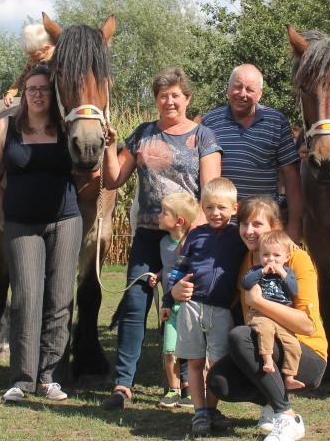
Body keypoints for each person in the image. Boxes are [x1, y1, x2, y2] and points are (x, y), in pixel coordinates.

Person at [101, 67, 221, 410]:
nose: (169, 101)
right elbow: (113, 180)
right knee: (135, 306)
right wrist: (111, 148)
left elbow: (210, 192)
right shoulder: (142, 134)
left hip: (187, 239)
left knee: (184, 308)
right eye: (162, 95)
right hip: (148, 235)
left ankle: (186, 381)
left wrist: (191, 237)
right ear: (156, 100)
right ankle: (123, 384)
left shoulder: (204, 137)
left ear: (187, 99)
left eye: (175, 95)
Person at [0, 65, 81, 403]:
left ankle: (50, 377)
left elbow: (91, 170)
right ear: (23, 94)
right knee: (26, 298)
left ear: (54, 95)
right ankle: (22, 379)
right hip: (22, 225)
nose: (38, 94)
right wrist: (10, 201)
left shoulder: (66, 129)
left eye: (44, 89)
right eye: (32, 89)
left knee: (60, 297)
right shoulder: (5, 128)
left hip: (65, 222)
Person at [204, 196, 327, 441]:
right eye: (244, 224)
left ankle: (287, 417)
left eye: (257, 225)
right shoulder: (249, 260)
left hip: (306, 354)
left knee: (241, 337)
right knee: (219, 381)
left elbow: (306, 324)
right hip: (267, 343)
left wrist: (260, 303)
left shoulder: (296, 259)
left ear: (275, 227)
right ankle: (271, 403)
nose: (249, 231)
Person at [161, 178, 246, 436]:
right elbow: (179, 269)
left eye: (221, 207)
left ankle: (211, 408)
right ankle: (199, 413)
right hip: (191, 306)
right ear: (202, 208)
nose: (215, 213)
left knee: (217, 363)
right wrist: (168, 298)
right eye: (209, 207)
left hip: (221, 310)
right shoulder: (196, 235)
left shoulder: (238, 236)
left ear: (235, 208)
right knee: (195, 361)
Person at [202, 64, 302, 243]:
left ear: (260, 94)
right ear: (228, 88)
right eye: (237, 87)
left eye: (250, 89)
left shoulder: (276, 122)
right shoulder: (210, 121)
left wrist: (294, 226)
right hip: (221, 225)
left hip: (262, 227)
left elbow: (291, 176)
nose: (242, 94)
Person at [241, 230, 304, 391]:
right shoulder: (256, 272)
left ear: (286, 258)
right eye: (266, 255)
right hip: (260, 314)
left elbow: (294, 291)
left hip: (281, 316)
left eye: (276, 256)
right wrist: (261, 272)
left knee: (293, 344)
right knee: (266, 330)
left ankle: (289, 376)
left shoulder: (288, 273)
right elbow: (246, 283)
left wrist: (283, 273)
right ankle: (267, 360)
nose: (271, 260)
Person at [153, 192, 198, 409]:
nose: (159, 215)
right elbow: (169, 266)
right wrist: (158, 275)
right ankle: (173, 390)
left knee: (190, 349)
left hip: (188, 305)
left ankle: (189, 391)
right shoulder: (163, 243)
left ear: (179, 221)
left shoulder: (193, 244)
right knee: (169, 349)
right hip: (168, 305)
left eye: (164, 212)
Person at [3, 23, 55, 107]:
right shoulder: (32, 61)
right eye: (29, 55)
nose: (32, 58)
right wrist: (11, 92)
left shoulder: (57, 58)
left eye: (35, 55)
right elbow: (22, 78)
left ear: (47, 48)